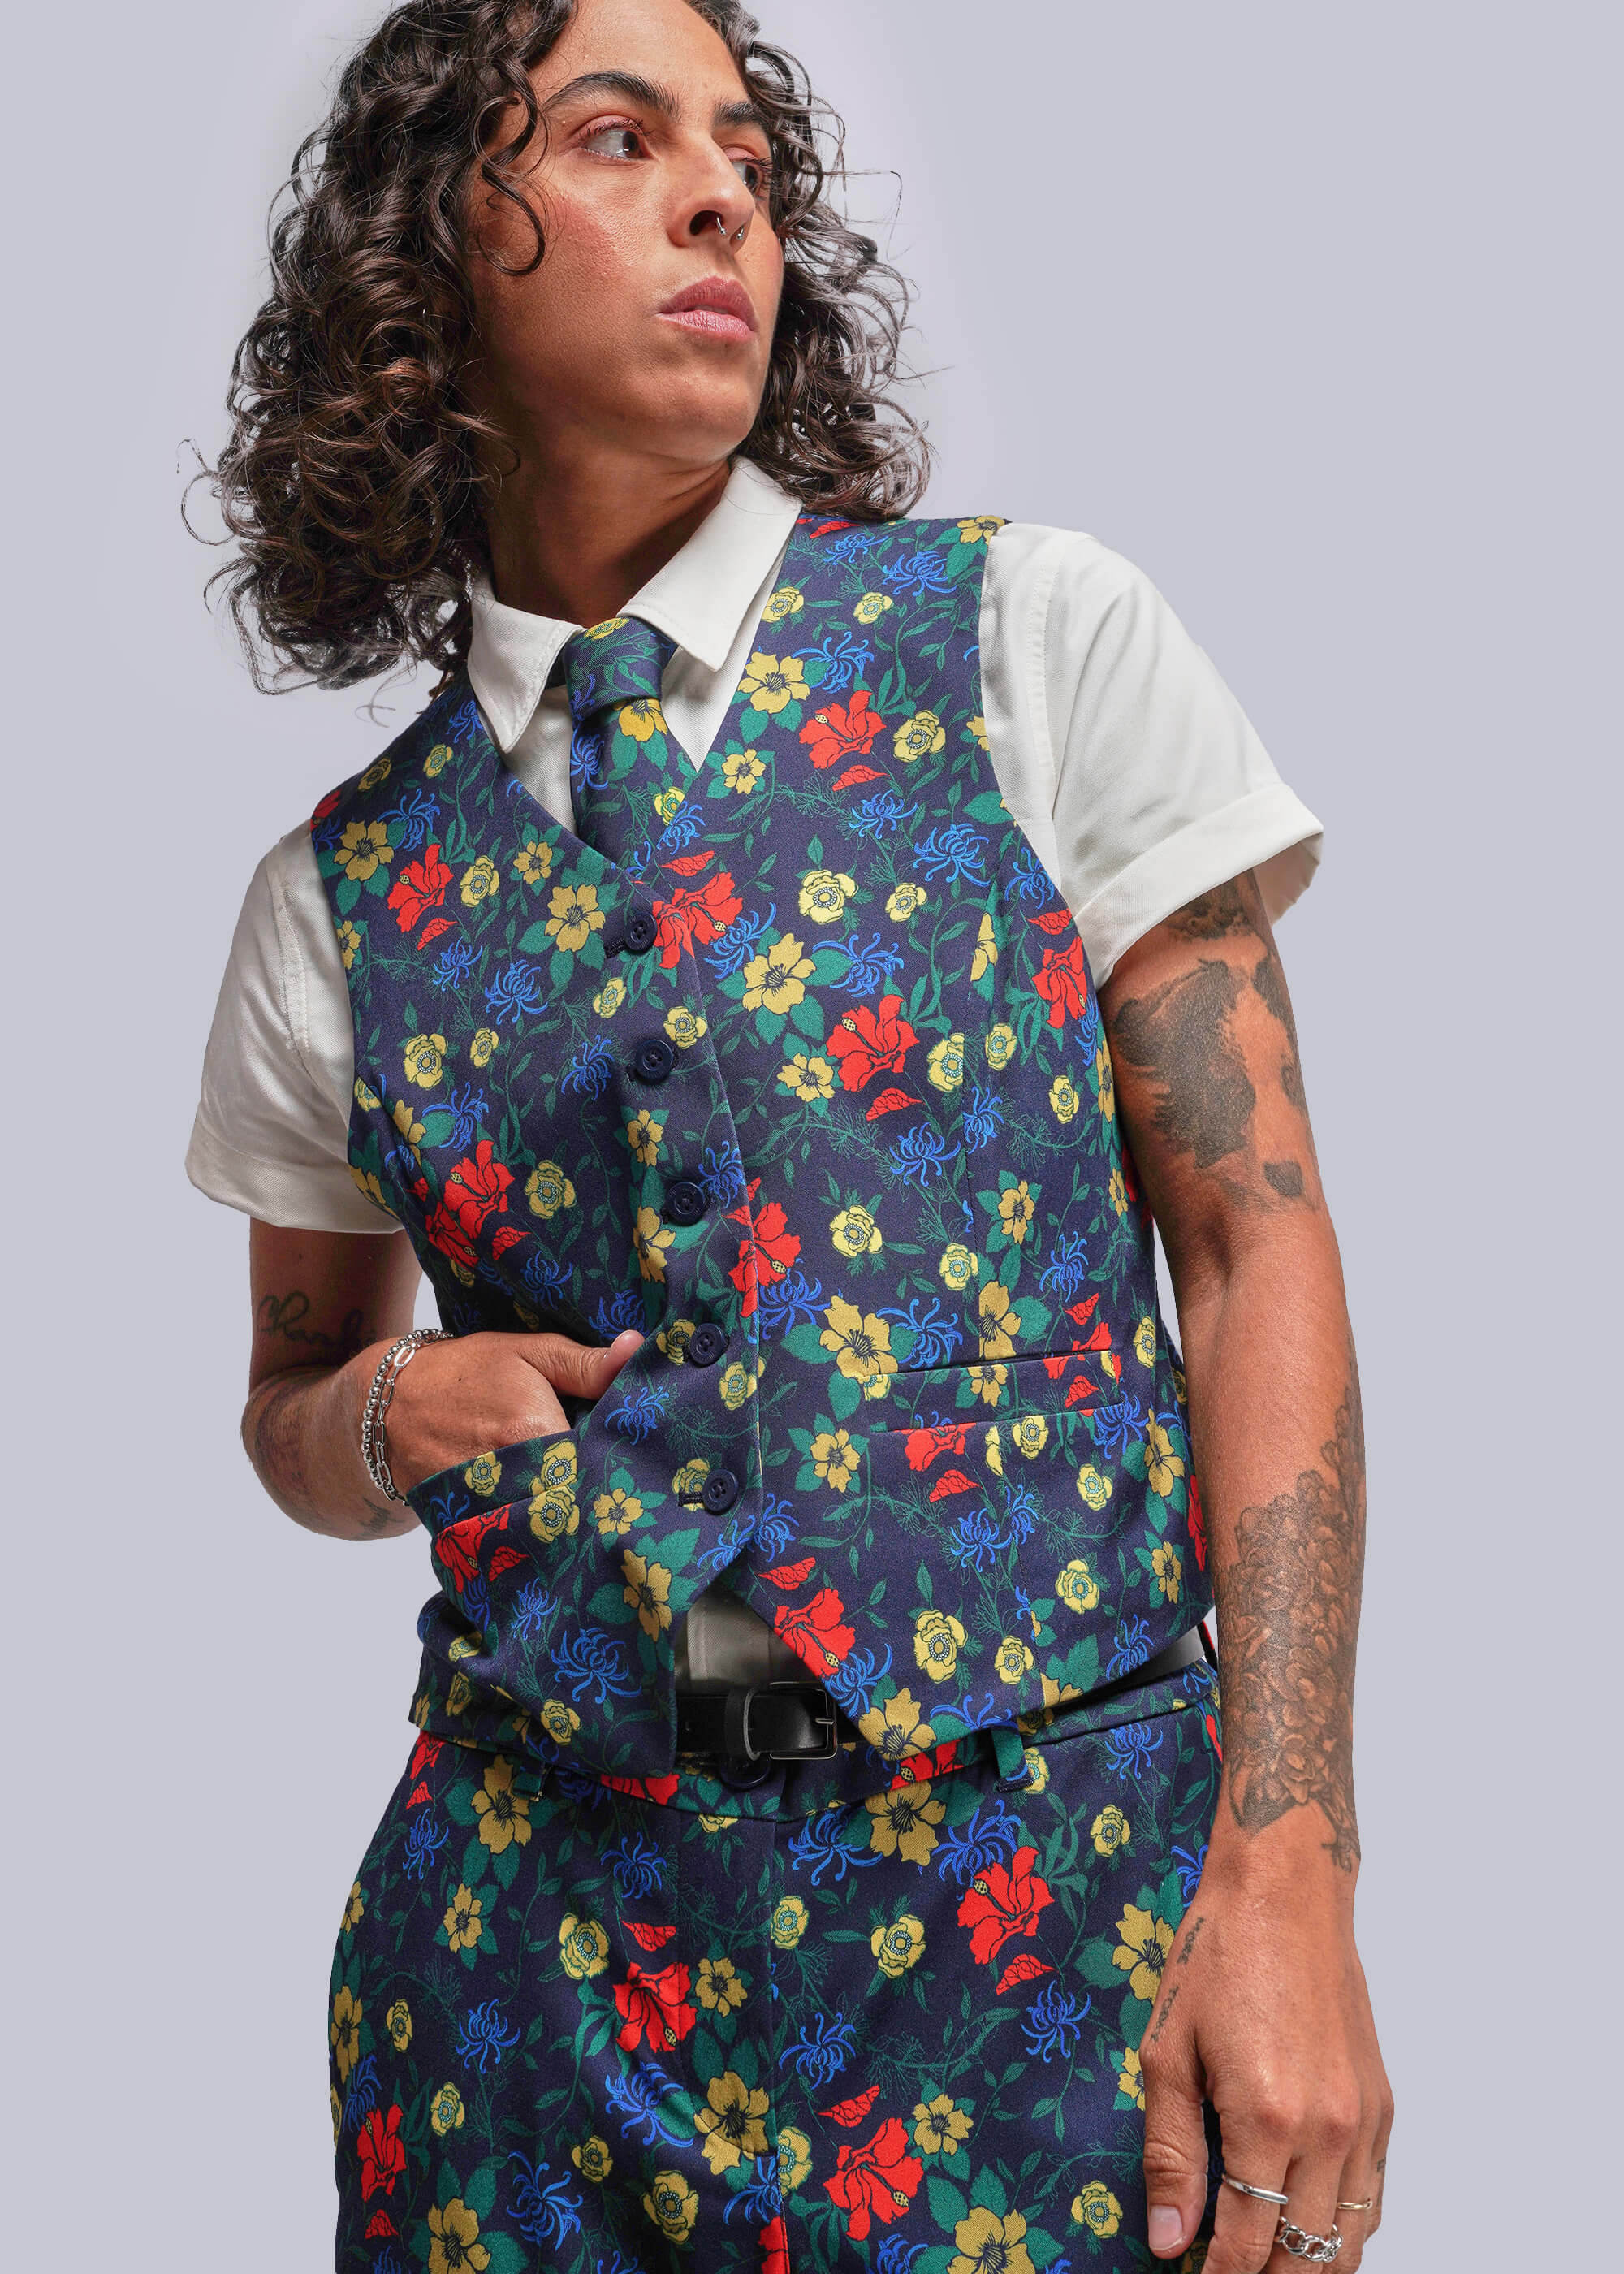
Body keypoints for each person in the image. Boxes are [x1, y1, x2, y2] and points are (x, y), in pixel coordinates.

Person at [185, 2, 1393, 2268]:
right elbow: (290, 1402)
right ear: (428, 257)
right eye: (617, 136)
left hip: (1053, 1952)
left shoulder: (1030, 642)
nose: (721, 194)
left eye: (744, 149)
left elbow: (1258, 1251)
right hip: (529, 2000)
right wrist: (374, 1414)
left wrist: (1291, 1873)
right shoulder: (338, 893)